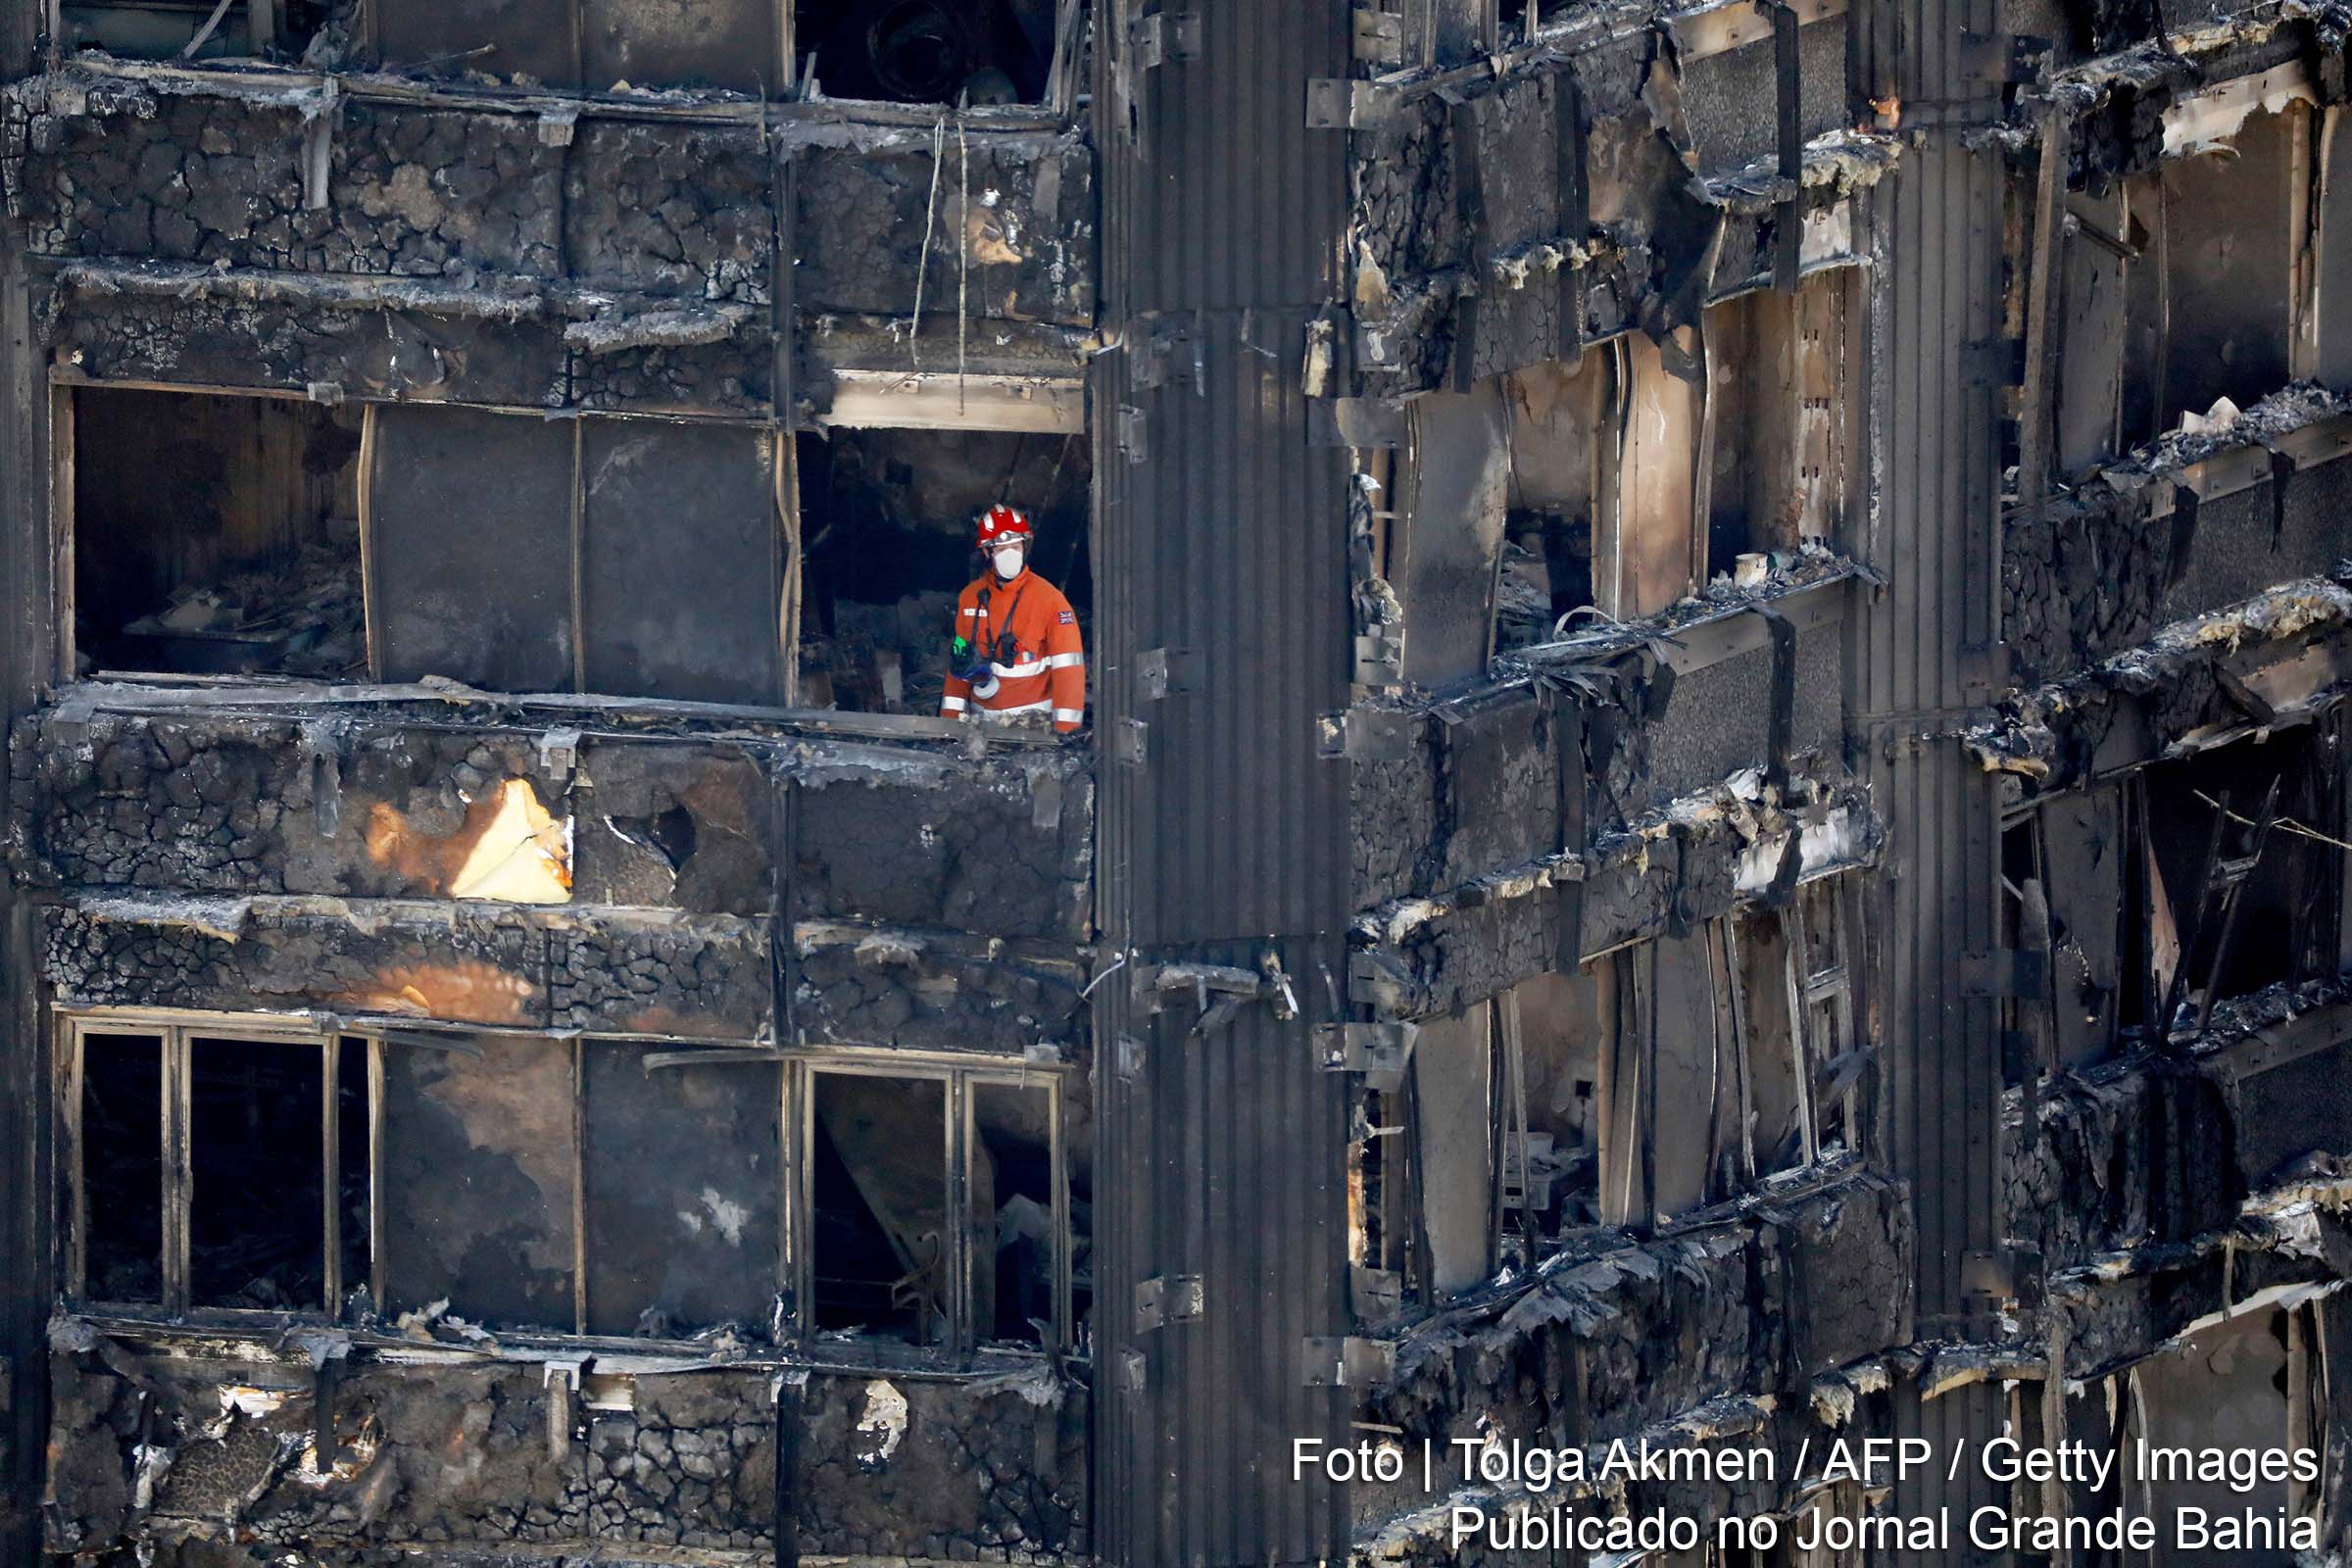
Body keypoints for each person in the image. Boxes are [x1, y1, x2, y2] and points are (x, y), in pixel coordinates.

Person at [940, 504, 1085, 733]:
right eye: (1001, 549)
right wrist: (948, 725)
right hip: (982, 729)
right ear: (987, 553)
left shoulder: (1050, 600)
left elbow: (1069, 671)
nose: (1010, 555)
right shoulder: (970, 599)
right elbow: (959, 660)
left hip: (1034, 727)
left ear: (1024, 547)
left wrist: (1066, 731)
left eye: (1015, 546)